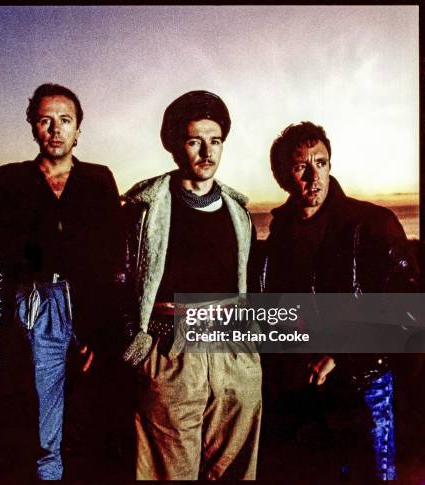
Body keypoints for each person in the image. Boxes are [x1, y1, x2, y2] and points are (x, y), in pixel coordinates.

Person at [260, 121, 419, 480]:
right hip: (307, 394)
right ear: (283, 175)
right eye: (302, 166)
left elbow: (409, 310)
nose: (314, 176)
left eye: (322, 162)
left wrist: (343, 354)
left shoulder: (372, 223)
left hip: (365, 384)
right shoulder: (280, 235)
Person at [121, 90, 261, 480]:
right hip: (172, 352)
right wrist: (135, 344)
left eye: (215, 141)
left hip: (233, 351)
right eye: (194, 140)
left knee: (235, 471)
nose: (207, 151)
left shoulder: (240, 213)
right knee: (170, 472)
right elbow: (119, 277)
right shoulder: (144, 209)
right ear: (174, 146)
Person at [0, 83, 121, 480]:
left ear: (78, 129)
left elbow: (114, 259)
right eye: (45, 120)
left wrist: (100, 331)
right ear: (33, 126)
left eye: (65, 120)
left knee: (94, 407)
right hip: (37, 302)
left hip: (88, 302)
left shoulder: (99, 179)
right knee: (44, 420)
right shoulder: (10, 180)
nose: (55, 129)